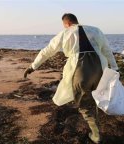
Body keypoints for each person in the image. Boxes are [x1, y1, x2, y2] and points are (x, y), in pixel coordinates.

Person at [24, 13, 118, 143]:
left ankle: (96, 135)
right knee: (96, 97)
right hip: (100, 68)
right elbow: (107, 50)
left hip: (80, 70)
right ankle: (96, 124)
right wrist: (115, 67)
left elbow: (48, 50)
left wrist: (33, 66)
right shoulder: (96, 30)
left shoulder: (65, 33)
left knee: (83, 103)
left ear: (66, 23)